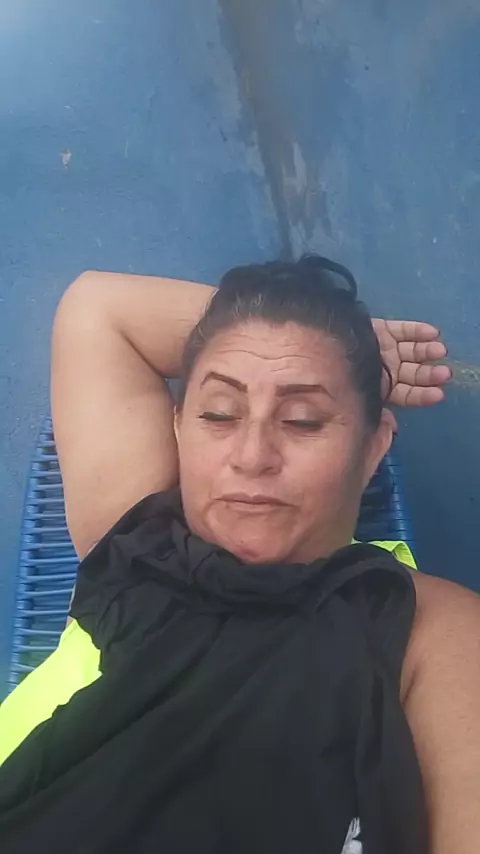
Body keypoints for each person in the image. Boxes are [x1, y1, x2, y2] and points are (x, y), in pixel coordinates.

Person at [0, 257, 477, 854]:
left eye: (302, 420)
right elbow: (98, 305)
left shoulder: (424, 630)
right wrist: (336, 343)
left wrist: (336, 351)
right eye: (219, 414)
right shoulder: (133, 542)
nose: (252, 456)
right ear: (179, 429)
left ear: (372, 446)